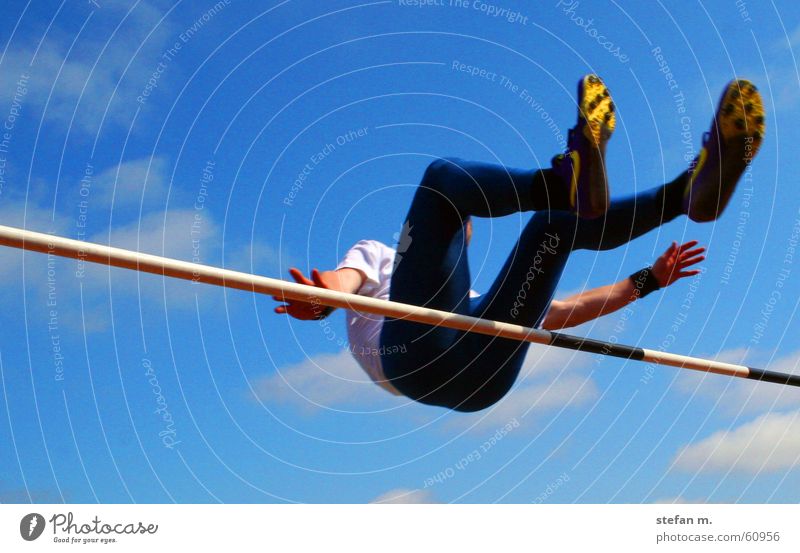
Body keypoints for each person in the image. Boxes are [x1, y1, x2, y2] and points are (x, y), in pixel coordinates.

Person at [274, 76, 765, 412]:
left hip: (480, 380)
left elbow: (566, 311)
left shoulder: (475, 304)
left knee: (550, 228)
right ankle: (564, 185)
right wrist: (320, 301)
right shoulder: (382, 256)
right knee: (444, 181)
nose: (462, 229)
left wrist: (650, 280)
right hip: (417, 359)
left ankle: (682, 195)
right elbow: (343, 284)